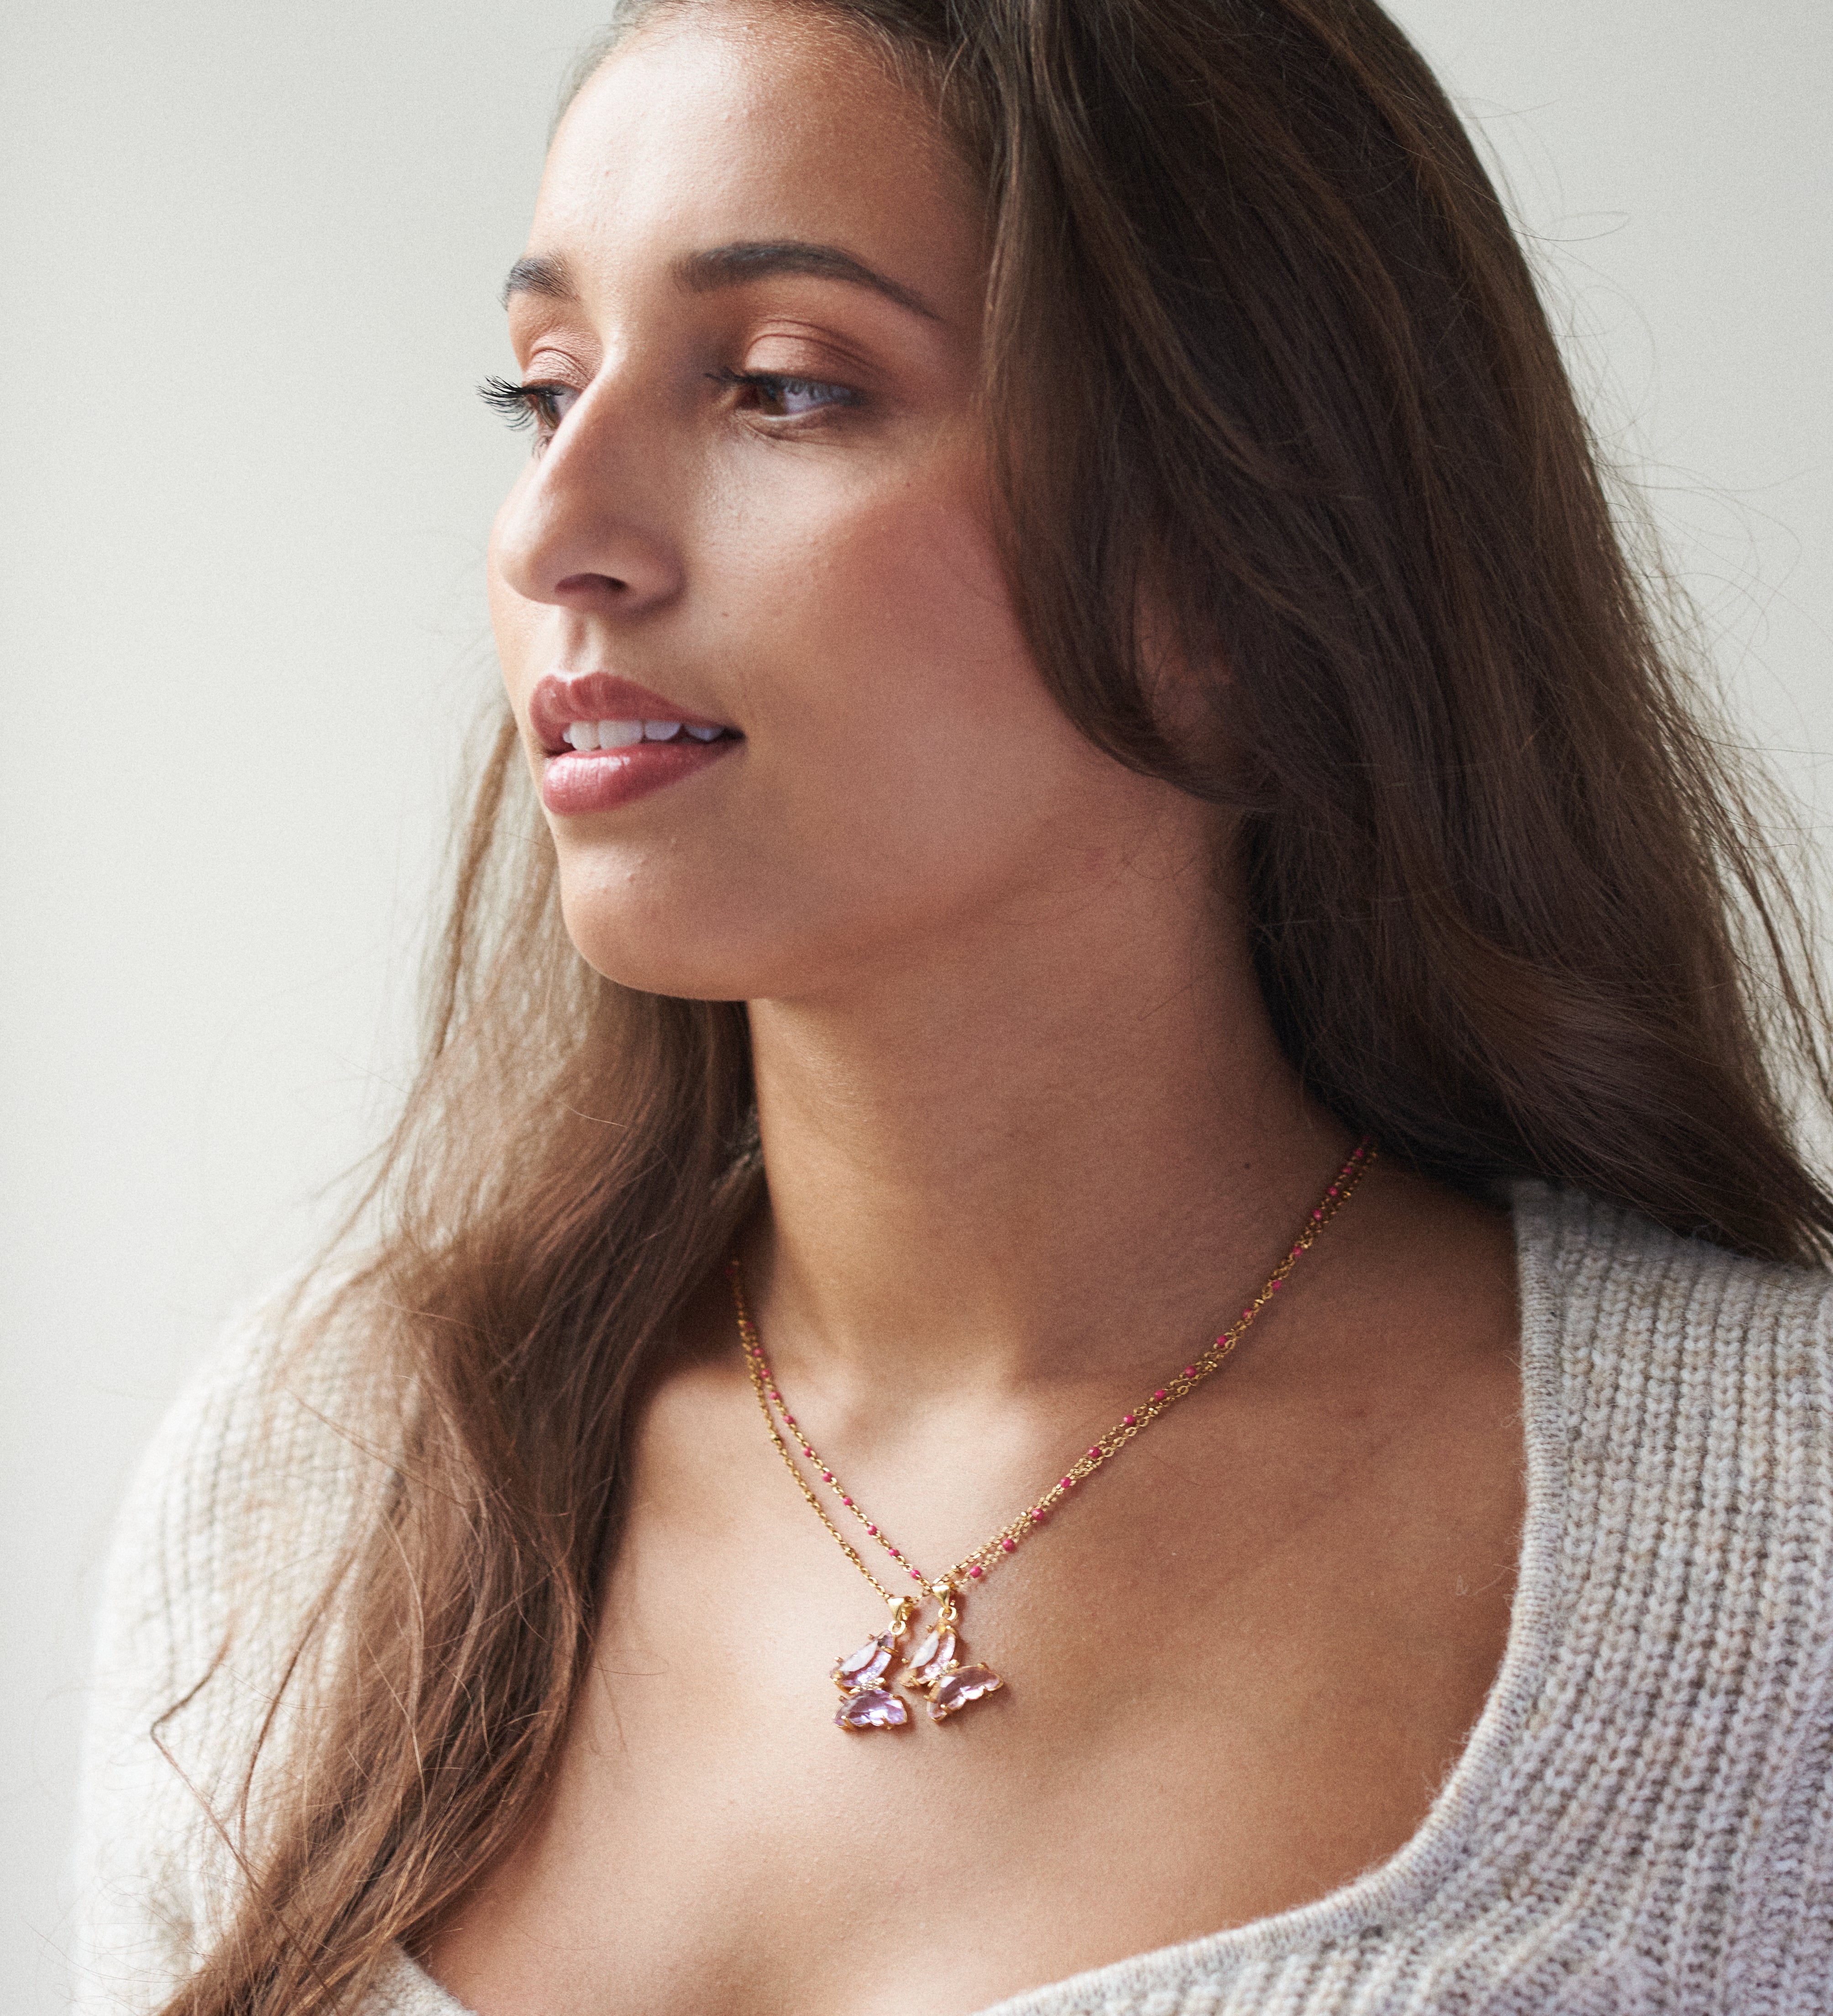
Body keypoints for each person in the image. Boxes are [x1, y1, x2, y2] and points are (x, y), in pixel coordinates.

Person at [73, 0, 1833, 2011]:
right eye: (540, 391)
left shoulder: (1785, 1550)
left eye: (784, 389)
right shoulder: (307, 1483)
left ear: (1241, 566)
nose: (553, 533)